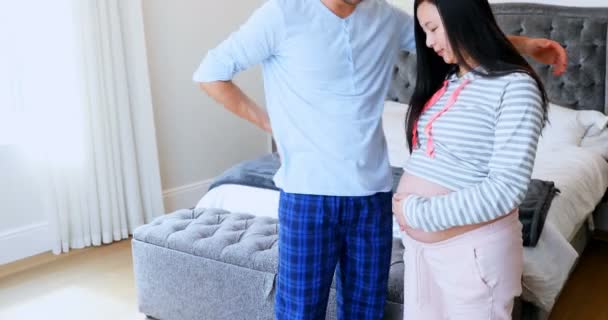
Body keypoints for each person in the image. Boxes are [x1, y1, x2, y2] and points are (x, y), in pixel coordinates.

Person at [193, 1, 565, 319]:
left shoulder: (384, 18)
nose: (430, 35)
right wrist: (269, 122)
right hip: (307, 195)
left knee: (365, 310)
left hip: (373, 197)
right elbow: (210, 73)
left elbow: (457, 38)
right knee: (299, 310)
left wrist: (528, 45)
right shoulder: (280, 14)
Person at [392, 0, 550, 319]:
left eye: (433, 29)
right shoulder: (450, 81)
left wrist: (417, 213)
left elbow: (506, 189)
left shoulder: (514, 87)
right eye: (424, 31)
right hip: (423, 253)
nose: (428, 42)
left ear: (463, 18)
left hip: (471, 256)